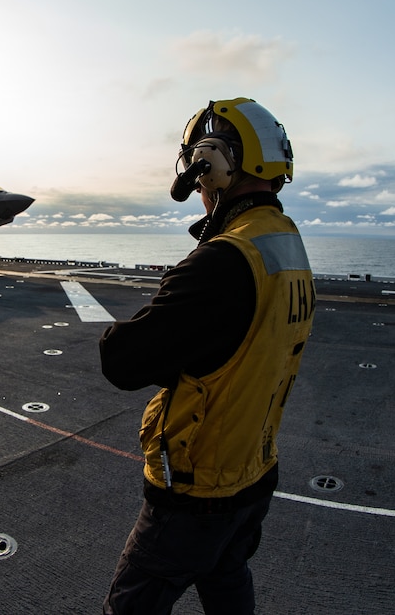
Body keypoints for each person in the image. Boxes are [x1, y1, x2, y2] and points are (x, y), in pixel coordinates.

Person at [100, 97, 315, 614]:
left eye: (199, 175)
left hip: (200, 487)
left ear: (214, 164)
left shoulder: (224, 260)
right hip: (255, 471)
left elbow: (123, 362)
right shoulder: (286, 244)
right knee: (225, 576)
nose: (197, 188)